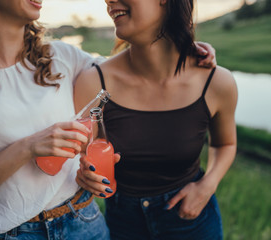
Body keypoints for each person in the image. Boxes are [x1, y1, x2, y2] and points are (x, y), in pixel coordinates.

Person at [0, 0, 216, 239]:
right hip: (11, 234)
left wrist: (179, 49)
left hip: (84, 222)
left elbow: (134, 67)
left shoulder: (63, 57)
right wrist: (27, 147)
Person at [75, 0, 238, 239]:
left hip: (192, 222)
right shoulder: (93, 83)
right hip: (122, 225)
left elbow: (225, 144)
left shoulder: (216, 82)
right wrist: (83, 175)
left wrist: (208, 185)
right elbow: (78, 156)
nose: (108, 0)